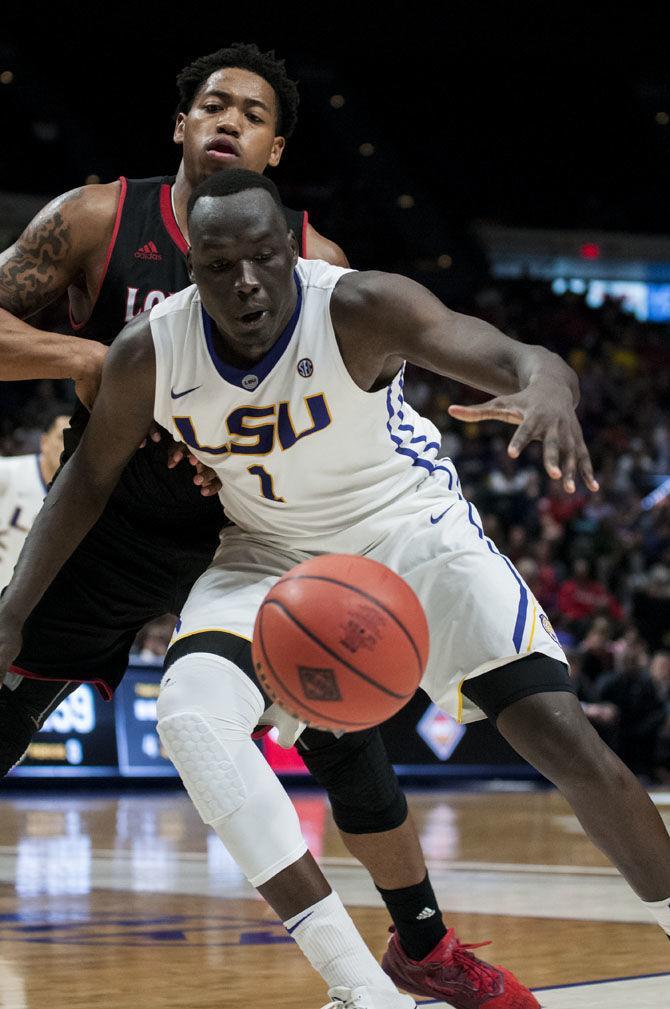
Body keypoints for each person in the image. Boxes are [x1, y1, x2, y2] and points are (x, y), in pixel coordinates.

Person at [4, 168, 670, 1003]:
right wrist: (13, 611)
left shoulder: (361, 306)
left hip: (408, 529)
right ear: (193, 269)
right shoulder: (152, 351)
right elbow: (86, 482)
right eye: (219, 264)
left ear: (291, 249)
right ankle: (365, 988)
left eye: (263, 256)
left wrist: (547, 388)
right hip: (271, 552)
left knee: (562, 736)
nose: (245, 281)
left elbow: (515, 355)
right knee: (190, 718)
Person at [0, 408, 69, 590]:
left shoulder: (79, 500)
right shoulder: (8, 473)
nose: (67, 448)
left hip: (22, 606)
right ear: (44, 442)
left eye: (74, 441)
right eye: (62, 438)